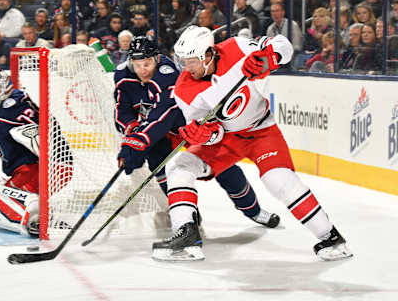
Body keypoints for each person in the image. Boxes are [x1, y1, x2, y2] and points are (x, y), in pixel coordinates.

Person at [152, 25, 353, 262]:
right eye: (182, 61)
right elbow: (211, 130)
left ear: (208, 54)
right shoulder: (185, 88)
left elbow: (283, 45)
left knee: (278, 179)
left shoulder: (237, 46)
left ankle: (331, 237)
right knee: (178, 166)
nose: (187, 67)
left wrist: (268, 58)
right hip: (226, 140)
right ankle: (186, 236)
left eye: (192, 61)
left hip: (261, 131)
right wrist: (205, 135)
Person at [115, 36, 280, 260]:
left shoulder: (167, 73)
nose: (142, 70)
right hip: (157, 134)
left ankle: (253, 210)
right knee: (164, 169)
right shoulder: (123, 76)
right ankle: (188, 222)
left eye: (147, 64)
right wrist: (133, 133)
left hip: (190, 127)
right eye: (137, 65)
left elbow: (163, 114)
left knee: (223, 167)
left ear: (156, 58)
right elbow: (123, 111)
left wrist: (138, 141)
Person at [0, 66, 72, 236]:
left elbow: (47, 131)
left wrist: (43, 143)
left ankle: (37, 220)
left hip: (49, 167)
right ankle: (33, 208)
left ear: (4, 85)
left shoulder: (17, 106)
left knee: (0, 200)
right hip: (25, 169)